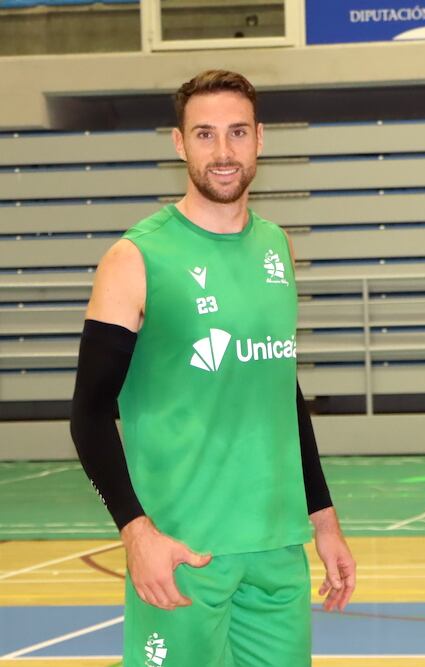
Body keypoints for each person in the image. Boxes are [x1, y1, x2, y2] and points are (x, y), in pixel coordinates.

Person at [69, 69, 356, 666]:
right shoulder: (136, 257)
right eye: (204, 135)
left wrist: (323, 520)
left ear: (260, 139)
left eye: (237, 133)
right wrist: (135, 531)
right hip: (182, 551)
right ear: (179, 143)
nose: (222, 153)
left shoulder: (277, 246)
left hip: (277, 546)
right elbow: (89, 415)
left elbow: (284, 392)